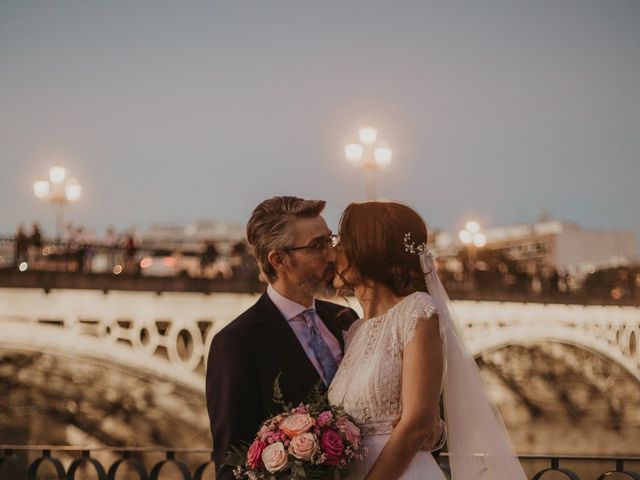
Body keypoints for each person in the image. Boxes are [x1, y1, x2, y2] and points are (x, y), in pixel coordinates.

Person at [328, 201, 526, 479]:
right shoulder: (356, 330)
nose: (335, 251)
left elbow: (419, 422)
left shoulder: (417, 311)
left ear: (369, 249)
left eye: (343, 241)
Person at [205, 196, 358, 480]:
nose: (332, 255)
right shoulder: (237, 343)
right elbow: (231, 465)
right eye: (317, 246)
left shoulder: (346, 320)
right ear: (279, 260)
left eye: (330, 241)